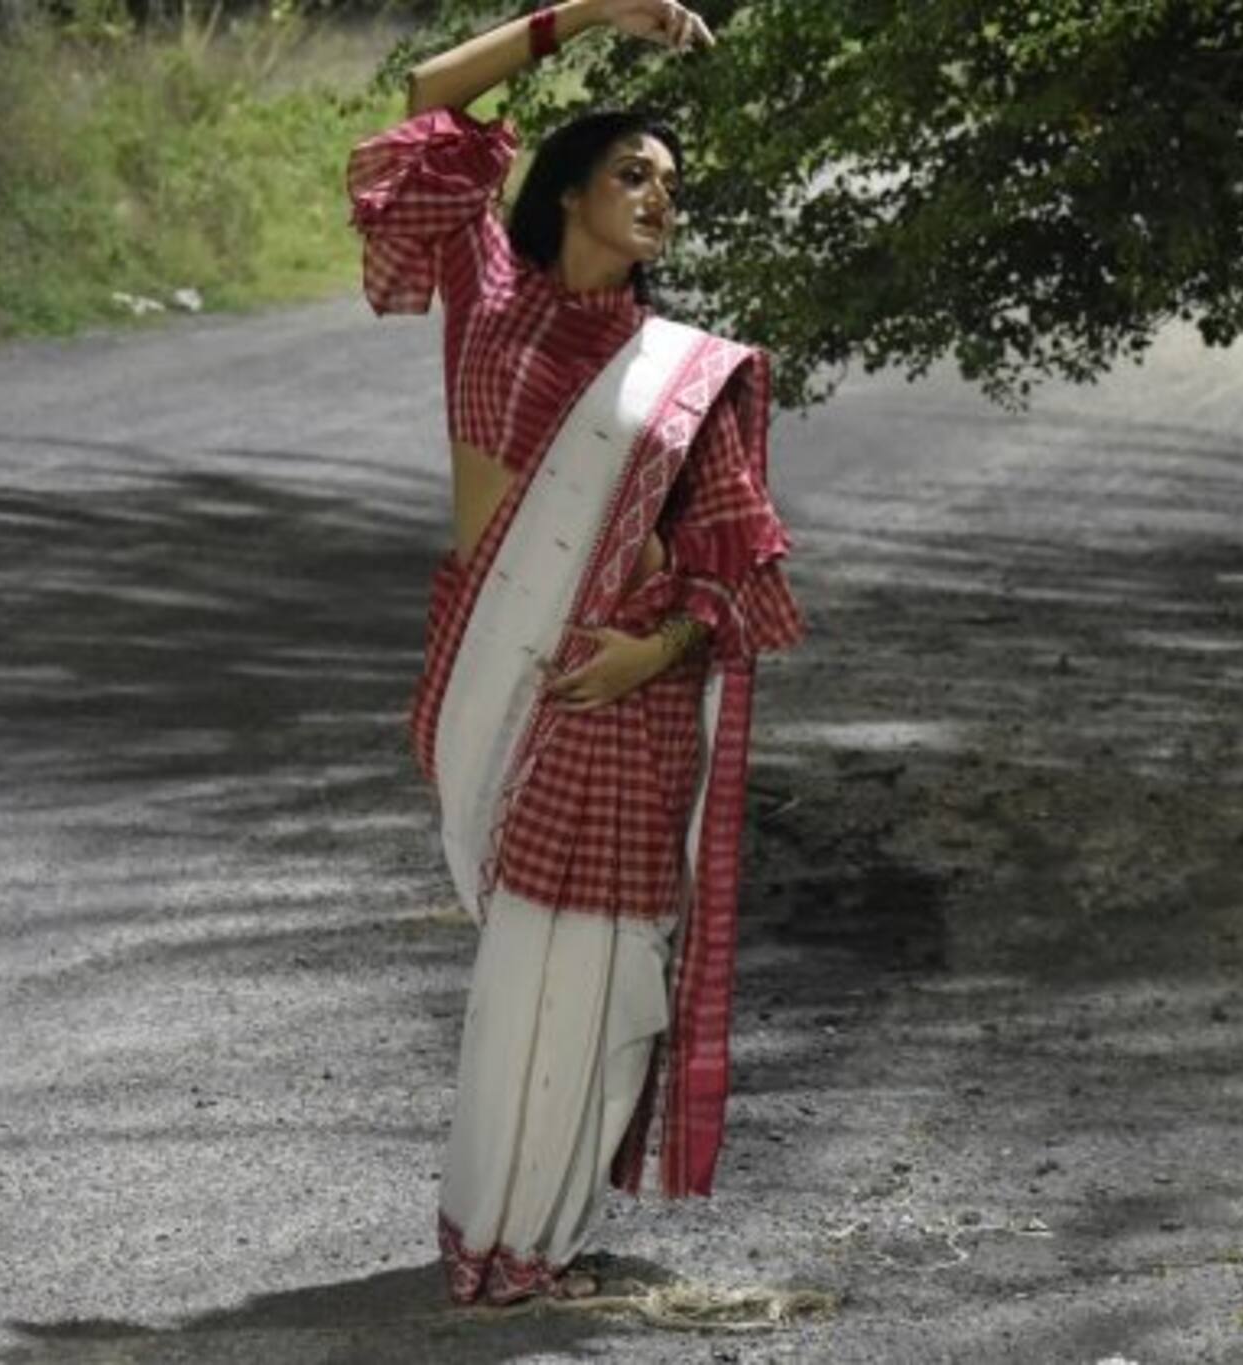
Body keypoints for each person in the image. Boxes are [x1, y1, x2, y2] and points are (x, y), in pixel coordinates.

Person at [345, 0, 805, 1307]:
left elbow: (736, 575)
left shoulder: (684, 374)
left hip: (619, 697)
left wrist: (647, 654)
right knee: (516, 966)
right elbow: (430, 100)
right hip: (490, 671)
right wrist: (587, 13)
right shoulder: (486, 294)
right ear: (565, 192)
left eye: (673, 184)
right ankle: (488, 1225)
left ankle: (527, 1235)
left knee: (593, 981)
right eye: (632, 173)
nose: (660, 197)